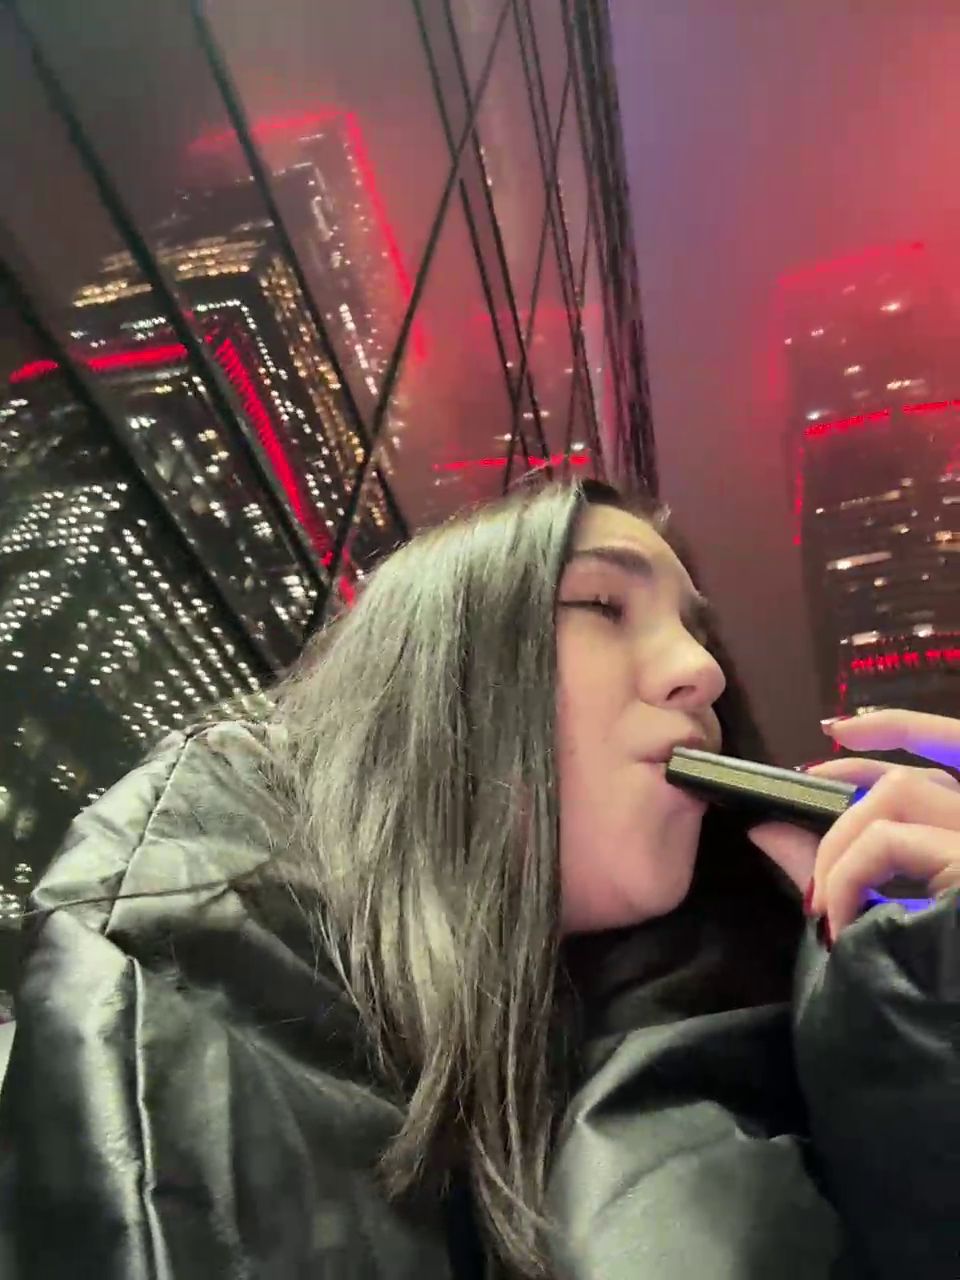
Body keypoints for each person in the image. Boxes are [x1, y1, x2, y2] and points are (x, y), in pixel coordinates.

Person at [0, 476, 957, 1279]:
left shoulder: (790, 1044)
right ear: (439, 673)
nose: (701, 670)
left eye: (697, 629)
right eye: (602, 605)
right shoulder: (166, 990)